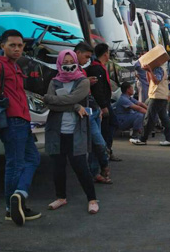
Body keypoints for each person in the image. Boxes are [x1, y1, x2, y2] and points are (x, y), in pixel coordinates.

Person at [0, 29, 41, 226]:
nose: (17, 49)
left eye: (20, 45)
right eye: (12, 45)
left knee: (32, 158)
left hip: (22, 121)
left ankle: (19, 196)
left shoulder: (16, 67)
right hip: (12, 121)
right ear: (2, 46)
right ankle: (10, 207)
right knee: (15, 163)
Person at [44, 50, 99, 214]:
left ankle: (92, 199)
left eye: (71, 60)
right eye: (65, 61)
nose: (68, 64)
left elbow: (68, 98)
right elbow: (50, 105)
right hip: (56, 131)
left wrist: (51, 99)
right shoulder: (54, 81)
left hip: (76, 131)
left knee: (81, 167)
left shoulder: (83, 81)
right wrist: (75, 107)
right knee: (58, 167)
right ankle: (60, 197)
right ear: (60, 63)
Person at [74, 42, 111, 184]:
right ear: (77, 53)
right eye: (86, 57)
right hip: (85, 110)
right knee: (99, 143)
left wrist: (98, 108)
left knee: (95, 145)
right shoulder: (70, 71)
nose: (87, 60)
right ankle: (104, 166)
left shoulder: (83, 70)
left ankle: (95, 172)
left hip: (93, 108)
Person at [86, 44, 120, 161]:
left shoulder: (101, 67)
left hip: (105, 102)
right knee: (108, 126)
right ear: (105, 54)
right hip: (101, 104)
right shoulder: (96, 68)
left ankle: (107, 150)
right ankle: (105, 151)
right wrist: (103, 105)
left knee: (110, 125)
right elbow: (97, 89)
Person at [130, 63, 170, 146]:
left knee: (149, 118)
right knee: (164, 117)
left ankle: (142, 139)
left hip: (157, 96)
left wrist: (150, 70)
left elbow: (156, 81)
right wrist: (148, 71)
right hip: (160, 95)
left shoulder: (159, 69)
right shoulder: (159, 68)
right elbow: (149, 80)